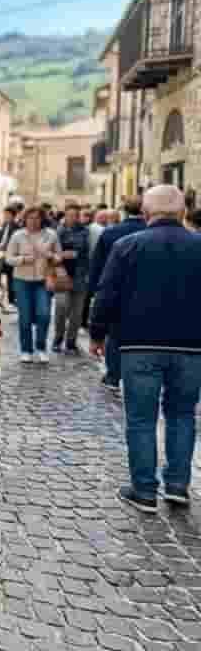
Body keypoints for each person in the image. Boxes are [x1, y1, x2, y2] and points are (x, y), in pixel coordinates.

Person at [90, 185, 201, 512]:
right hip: (192, 347)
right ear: (182, 213)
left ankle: (145, 490)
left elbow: (106, 294)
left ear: (146, 214)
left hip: (139, 344)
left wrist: (97, 334)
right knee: (182, 414)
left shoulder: (127, 245)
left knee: (141, 418)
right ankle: (178, 485)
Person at [89, 196, 146, 394]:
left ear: (124, 210)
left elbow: (97, 266)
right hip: (144, 293)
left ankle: (113, 375)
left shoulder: (111, 233)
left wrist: (94, 291)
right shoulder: (149, 232)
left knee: (115, 334)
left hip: (116, 290)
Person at [5, 206, 59, 363]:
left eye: (37, 218)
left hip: (43, 280)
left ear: (42, 219)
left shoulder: (51, 235)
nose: (33, 221)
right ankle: (26, 350)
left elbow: (58, 257)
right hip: (22, 280)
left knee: (44, 314)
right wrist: (23, 259)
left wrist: (50, 256)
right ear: (25, 219)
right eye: (30, 218)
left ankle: (41, 348)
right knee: (25, 317)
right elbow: (8, 258)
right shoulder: (17, 235)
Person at [51, 204, 90, 355]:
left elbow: (89, 252)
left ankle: (71, 342)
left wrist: (75, 254)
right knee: (61, 307)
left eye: (75, 215)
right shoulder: (57, 232)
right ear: (65, 216)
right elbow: (52, 251)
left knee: (77, 312)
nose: (72, 218)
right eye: (69, 215)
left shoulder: (85, 231)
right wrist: (59, 255)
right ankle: (58, 338)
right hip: (62, 274)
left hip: (80, 275)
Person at [0, 205, 21, 310]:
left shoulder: (16, 227)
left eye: (7, 214)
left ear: (12, 215)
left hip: (9, 255)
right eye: (4, 214)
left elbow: (13, 243)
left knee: (10, 279)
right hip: (1, 253)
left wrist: (5, 250)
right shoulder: (5, 224)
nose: (5, 216)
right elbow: (0, 239)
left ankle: (11, 300)